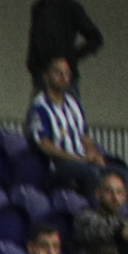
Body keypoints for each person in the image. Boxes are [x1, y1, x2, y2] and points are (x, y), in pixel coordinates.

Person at [24, 57, 104, 198]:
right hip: (57, 166)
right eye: (58, 72)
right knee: (90, 173)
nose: (63, 77)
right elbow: (44, 145)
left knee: (117, 172)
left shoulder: (74, 104)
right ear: (46, 76)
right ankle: (96, 214)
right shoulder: (40, 107)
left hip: (80, 160)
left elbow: (84, 135)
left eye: (67, 73)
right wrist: (74, 158)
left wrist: (93, 153)